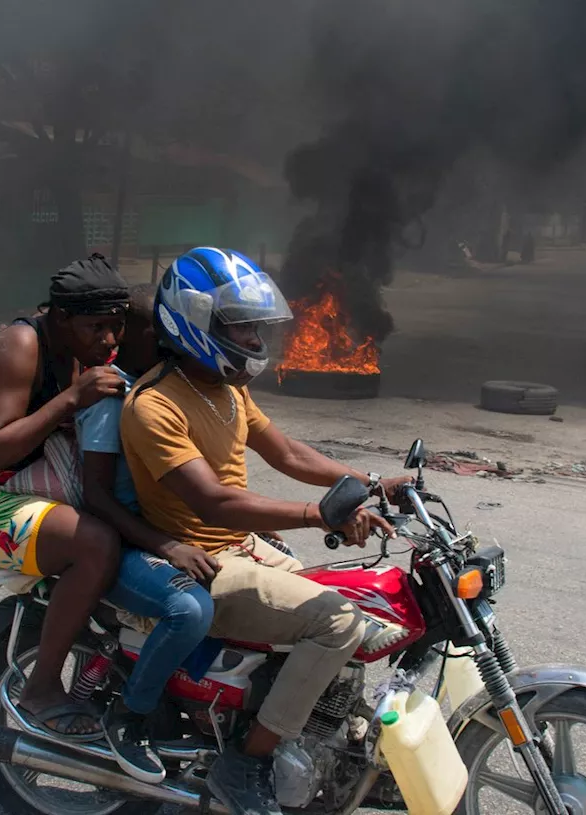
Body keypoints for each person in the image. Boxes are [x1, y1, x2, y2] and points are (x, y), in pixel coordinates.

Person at [120, 247, 411, 815]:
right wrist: (318, 514)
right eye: (240, 326)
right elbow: (216, 500)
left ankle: (308, 734)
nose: (254, 339)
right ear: (194, 320)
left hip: (242, 546)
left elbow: (289, 453)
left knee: (366, 611)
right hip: (203, 562)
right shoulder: (154, 405)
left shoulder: (226, 388)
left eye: (256, 326)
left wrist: (373, 481)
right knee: (335, 622)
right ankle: (247, 761)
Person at [0, 253, 130, 741]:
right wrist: (69, 399)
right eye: (96, 327)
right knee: (96, 544)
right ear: (61, 317)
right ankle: (41, 689)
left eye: (116, 327)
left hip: (36, 480)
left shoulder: (84, 347)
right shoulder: (20, 345)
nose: (108, 340)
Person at [74, 284, 218, 783]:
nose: (167, 345)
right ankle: (129, 718)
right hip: (123, 541)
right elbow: (96, 495)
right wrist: (168, 545)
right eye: (156, 334)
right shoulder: (114, 397)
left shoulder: (158, 385)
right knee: (189, 609)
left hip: (156, 530)